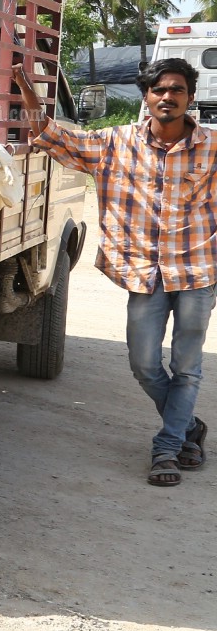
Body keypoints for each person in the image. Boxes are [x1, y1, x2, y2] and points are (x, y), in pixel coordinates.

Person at [17, 56, 217, 486]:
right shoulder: (114, 144)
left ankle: (167, 447)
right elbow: (47, 134)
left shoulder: (212, 147)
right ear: (147, 96)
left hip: (198, 273)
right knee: (144, 364)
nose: (168, 97)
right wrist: (22, 82)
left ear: (190, 97)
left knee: (187, 367)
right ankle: (188, 427)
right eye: (160, 89)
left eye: (177, 90)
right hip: (145, 274)